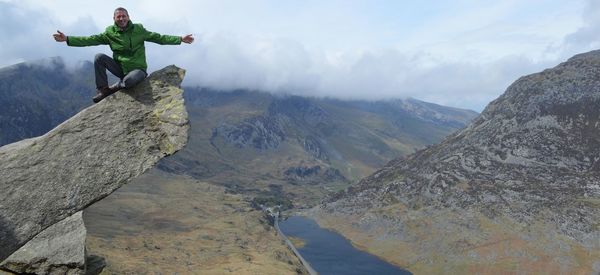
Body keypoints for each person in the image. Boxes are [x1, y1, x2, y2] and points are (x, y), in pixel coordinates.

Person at [53, 7, 194, 103]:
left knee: (128, 82)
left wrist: (180, 39)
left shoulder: (139, 29)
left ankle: (114, 88)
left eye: (124, 16)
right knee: (99, 57)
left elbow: (159, 38)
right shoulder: (110, 33)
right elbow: (90, 40)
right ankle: (103, 89)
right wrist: (67, 39)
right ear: (114, 18)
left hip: (138, 70)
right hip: (120, 68)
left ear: (128, 17)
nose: (121, 19)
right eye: (118, 17)